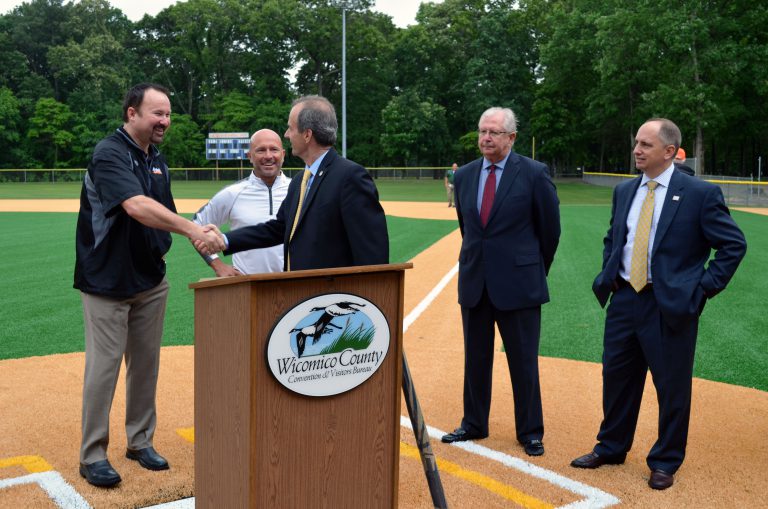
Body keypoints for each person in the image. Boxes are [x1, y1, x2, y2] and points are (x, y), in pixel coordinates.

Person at [570, 118, 746, 490]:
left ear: (668, 152)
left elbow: (733, 245)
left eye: (645, 145)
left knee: (672, 386)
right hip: (624, 300)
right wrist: (610, 271)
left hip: (669, 305)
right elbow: (613, 237)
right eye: (636, 143)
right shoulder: (624, 191)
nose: (637, 150)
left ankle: (665, 460)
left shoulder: (700, 193)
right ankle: (612, 446)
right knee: (617, 378)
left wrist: (701, 289)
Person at [73, 83, 225, 488]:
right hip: (106, 282)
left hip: (149, 281)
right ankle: (92, 456)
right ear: (131, 114)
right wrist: (195, 227)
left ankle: (140, 442)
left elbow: (168, 216)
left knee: (145, 368)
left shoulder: (157, 159)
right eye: (157, 113)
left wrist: (216, 264)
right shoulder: (109, 153)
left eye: (168, 114)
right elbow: (137, 207)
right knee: (103, 370)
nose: (165, 121)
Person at [441, 107, 560, 457]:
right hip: (476, 282)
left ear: (511, 137)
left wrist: (532, 269)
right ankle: (474, 423)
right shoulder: (464, 176)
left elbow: (549, 231)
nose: (486, 138)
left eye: (493, 132)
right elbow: (470, 228)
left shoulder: (535, 174)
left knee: (523, 362)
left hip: (519, 285)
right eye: (482, 131)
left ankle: (530, 431)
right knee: (475, 359)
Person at [200, 95, 388, 270]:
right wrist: (226, 240)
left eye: (290, 128)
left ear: (307, 135)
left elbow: (372, 254)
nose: (287, 134)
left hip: (334, 299)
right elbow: (278, 228)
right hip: (302, 296)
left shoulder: (350, 177)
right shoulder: (300, 181)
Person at [192, 129, 291, 276]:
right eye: (261, 150)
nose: (268, 156)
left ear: (283, 154)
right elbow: (196, 225)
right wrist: (218, 265)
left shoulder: (298, 190)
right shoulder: (232, 193)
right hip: (247, 283)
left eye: (274, 150)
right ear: (249, 156)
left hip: (292, 282)